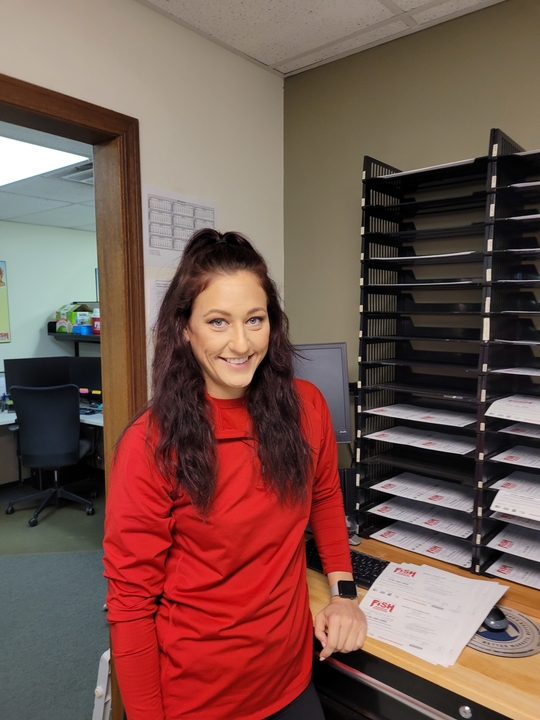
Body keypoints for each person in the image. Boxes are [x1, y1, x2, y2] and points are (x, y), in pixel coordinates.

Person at [103, 229, 367, 720]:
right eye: (218, 321)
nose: (241, 343)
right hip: (200, 699)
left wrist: (344, 594)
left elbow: (326, 497)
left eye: (254, 320)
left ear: (273, 324)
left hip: (290, 680)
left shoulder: (306, 407)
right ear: (185, 329)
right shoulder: (150, 444)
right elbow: (130, 604)